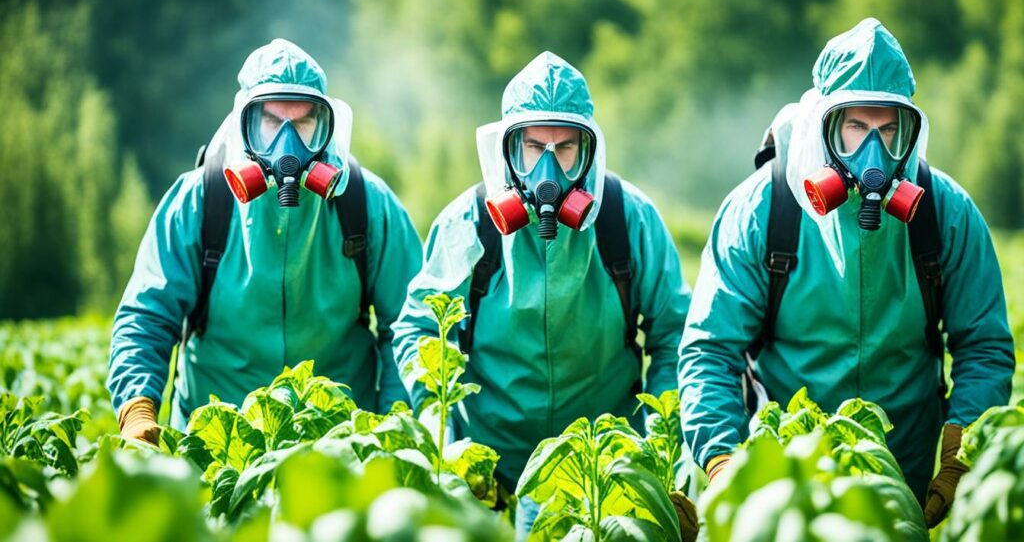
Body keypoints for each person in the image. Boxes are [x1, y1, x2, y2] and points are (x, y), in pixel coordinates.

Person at [677, 18, 1015, 528]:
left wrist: (958, 454)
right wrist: (725, 463)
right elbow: (710, 350)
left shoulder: (946, 213)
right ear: (823, 128)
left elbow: (984, 346)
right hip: (784, 491)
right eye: (855, 127)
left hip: (904, 484)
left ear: (909, 132)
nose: (872, 153)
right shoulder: (763, 209)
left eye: (887, 130)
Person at [391, 51, 691, 539]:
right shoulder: (470, 221)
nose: (548, 167)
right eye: (533, 147)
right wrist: (443, 436)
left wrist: (655, 449)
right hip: (489, 474)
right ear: (508, 150)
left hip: (600, 474)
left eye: (566, 147)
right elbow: (419, 328)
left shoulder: (627, 218)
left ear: (588, 150)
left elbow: (676, 337)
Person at [108, 39, 422, 443]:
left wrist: (392, 424)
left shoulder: (365, 203)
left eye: (304, 123)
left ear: (326, 128)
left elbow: (410, 326)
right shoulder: (201, 200)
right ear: (245, 125)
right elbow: (148, 316)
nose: (287, 145)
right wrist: (137, 409)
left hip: (339, 449)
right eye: (272, 123)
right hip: (218, 446)